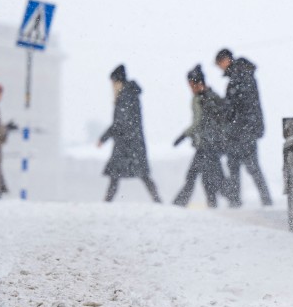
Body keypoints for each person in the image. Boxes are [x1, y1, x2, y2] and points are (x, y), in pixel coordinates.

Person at [172, 64, 237, 208]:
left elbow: (198, 122)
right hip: (210, 144)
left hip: (208, 145)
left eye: (191, 84)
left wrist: (183, 135)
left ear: (197, 83)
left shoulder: (203, 98)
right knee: (208, 176)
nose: (190, 87)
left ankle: (180, 204)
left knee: (198, 175)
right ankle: (220, 201)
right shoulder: (211, 96)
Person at [215, 48, 273, 206]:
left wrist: (232, 121)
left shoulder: (241, 76)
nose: (219, 67)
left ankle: (264, 201)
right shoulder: (240, 75)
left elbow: (242, 105)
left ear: (226, 60)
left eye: (219, 63)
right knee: (236, 165)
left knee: (250, 166)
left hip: (244, 129)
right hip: (241, 129)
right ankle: (237, 200)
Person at [97, 64, 161, 203]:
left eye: (113, 83)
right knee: (140, 174)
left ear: (118, 81)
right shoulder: (130, 94)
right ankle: (157, 201)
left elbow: (120, 122)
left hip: (127, 142)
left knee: (118, 174)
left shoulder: (125, 96)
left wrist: (104, 137)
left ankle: (106, 202)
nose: (112, 87)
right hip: (132, 140)